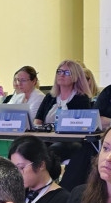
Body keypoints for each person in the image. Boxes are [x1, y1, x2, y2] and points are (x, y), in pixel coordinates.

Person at [35, 59, 96, 191]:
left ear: (75, 77)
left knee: (52, 151)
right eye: (59, 71)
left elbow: (82, 124)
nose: (61, 75)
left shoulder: (81, 98)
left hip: (69, 140)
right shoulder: (50, 97)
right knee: (27, 148)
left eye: (66, 72)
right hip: (48, 137)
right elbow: (38, 120)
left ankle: (45, 186)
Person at [7, 136, 70, 203]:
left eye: (21, 168)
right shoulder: (18, 193)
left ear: (41, 165)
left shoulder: (63, 201)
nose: (17, 174)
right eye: (14, 169)